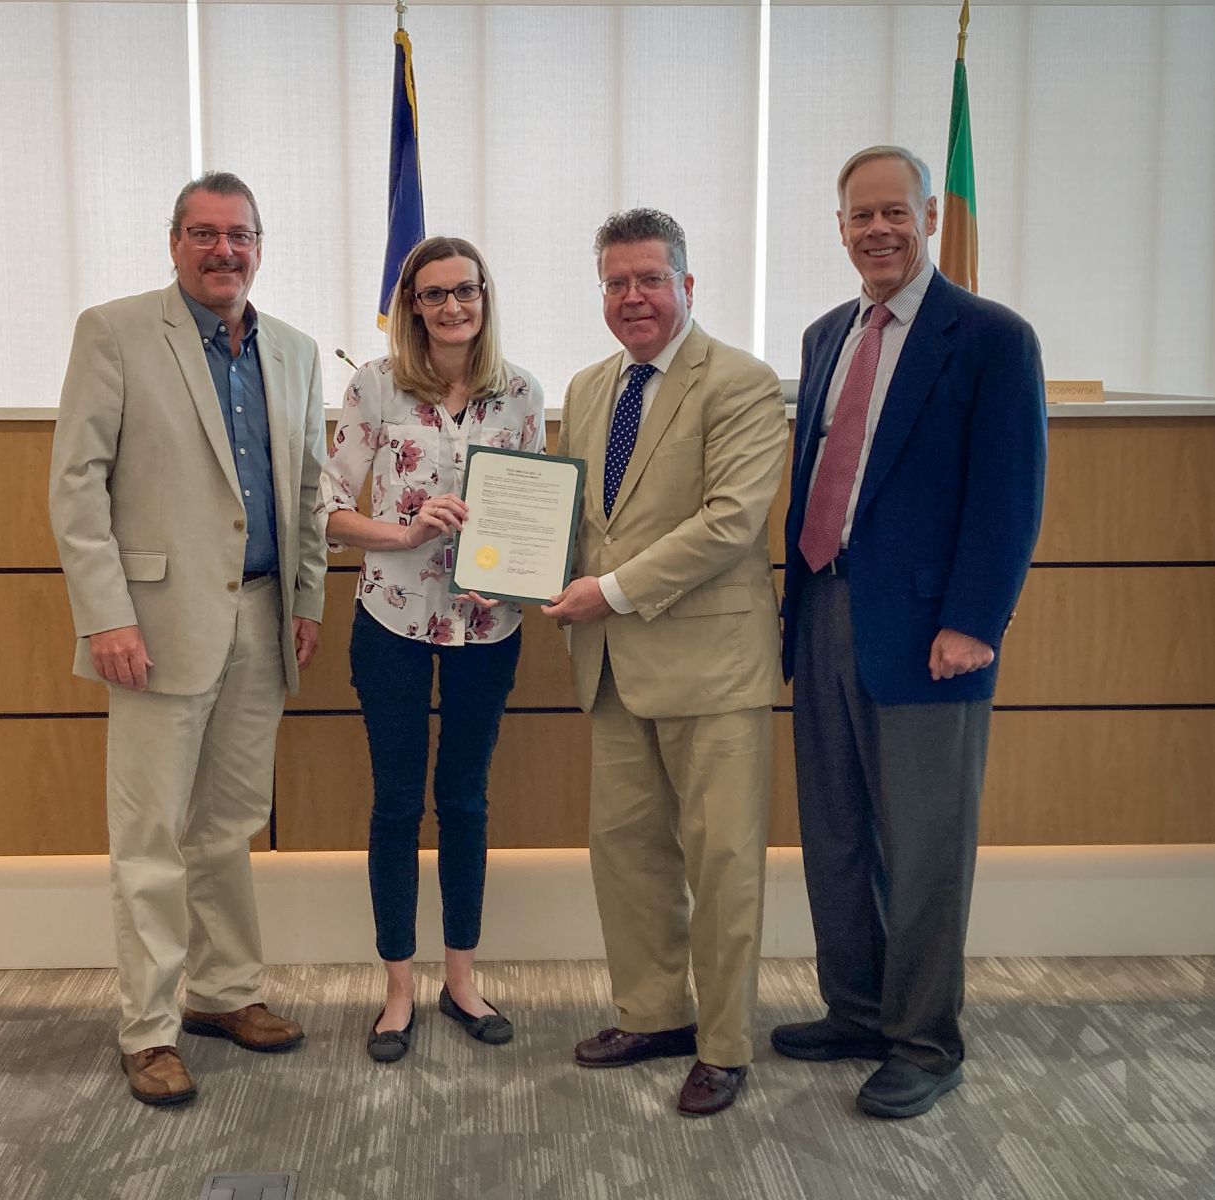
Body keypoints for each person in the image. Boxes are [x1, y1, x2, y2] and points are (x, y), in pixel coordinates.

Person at [773, 145, 1046, 1118]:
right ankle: (855, 1007)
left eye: (896, 212)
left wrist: (976, 621)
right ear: (840, 227)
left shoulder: (989, 338)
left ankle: (925, 1041)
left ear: (929, 217)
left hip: (935, 634)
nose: (878, 230)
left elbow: (1010, 493)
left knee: (926, 846)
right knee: (836, 832)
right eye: (860, 216)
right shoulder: (822, 336)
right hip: (823, 609)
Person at [49, 171, 328, 1106]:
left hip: (261, 616)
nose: (224, 250)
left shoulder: (290, 351)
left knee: (228, 827)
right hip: (155, 626)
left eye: (240, 234)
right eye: (204, 234)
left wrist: (308, 600)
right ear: (175, 243)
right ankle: (149, 1029)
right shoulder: (117, 332)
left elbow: (309, 491)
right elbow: (77, 487)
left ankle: (225, 994)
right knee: (151, 838)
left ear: (260, 244)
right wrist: (107, 614)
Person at [543, 209, 787, 1117]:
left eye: (650, 279)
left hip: (711, 665)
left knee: (720, 860)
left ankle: (724, 1043)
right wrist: (508, 570)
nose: (632, 297)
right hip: (610, 666)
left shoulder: (742, 382)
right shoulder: (590, 385)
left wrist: (604, 592)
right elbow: (578, 521)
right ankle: (653, 1012)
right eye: (616, 282)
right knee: (627, 853)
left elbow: (729, 523)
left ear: (689, 285)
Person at [319, 236, 545, 1063]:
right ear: (412, 304)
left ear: (486, 296)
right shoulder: (374, 387)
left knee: (468, 801)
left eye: (466, 291)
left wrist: (513, 575)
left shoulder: (520, 391)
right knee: (394, 803)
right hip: (392, 620)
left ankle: (460, 979)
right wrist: (407, 531)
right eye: (434, 294)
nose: (452, 307)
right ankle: (397, 990)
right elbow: (331, 509)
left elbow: (530, 510)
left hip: (488, 627)